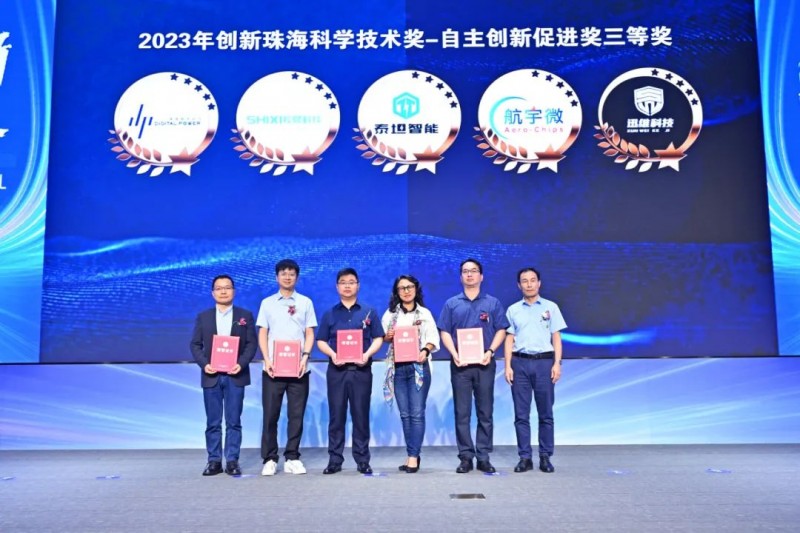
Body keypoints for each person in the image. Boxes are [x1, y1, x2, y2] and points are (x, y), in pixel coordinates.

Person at [437, 259, 509, 474]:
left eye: (474, 271)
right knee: (462, 412)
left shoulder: (492, 303)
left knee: (485, 412)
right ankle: (466, 457)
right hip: (460, 365)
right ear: (461, 277)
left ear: (481, 276)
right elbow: (444, 331)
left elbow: (501, 329)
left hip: (485, 364)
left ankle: (483, 456)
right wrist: (455, 354)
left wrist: (490, 351)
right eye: (465, 271)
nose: (469, 274)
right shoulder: (452, 304)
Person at [316, 267, 384, 474]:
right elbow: (321, 340)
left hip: (361, 370)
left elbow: (378, 338)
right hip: (336, 371)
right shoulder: (329, 313)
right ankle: (334, 460)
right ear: (337, 287)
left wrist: (367, 354)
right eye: (343, 282)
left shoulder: (369, 311)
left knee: (360, 415)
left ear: (358, 286)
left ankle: (362, 459)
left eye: (351, 282)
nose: (347, 286)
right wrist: (333, 354)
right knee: (336, 415)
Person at [190, 274, 257, 476]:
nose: (223, 291)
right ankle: (214, 461)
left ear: (233, 291)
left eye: (227, 287)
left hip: (236, 375)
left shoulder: (245, 315)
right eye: (219, 288)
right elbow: (195, 345)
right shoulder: (204, 317)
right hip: (212, 376)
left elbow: (251, 344)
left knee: (233, 421)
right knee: (213, 422)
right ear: (213, 293)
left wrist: (240, 364)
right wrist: (205, 364)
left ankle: (232, 460)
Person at [256, 259, 317, 476]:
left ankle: (292, 457)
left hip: (299, 369)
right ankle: (270, 458)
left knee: (296, 415)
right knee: (270, 415)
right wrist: (267, 359)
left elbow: (309, 332)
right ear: (277, 277)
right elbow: (263, 332)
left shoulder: (306, 302)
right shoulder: (267, 303)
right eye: (283, 273)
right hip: (273, 369)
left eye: (291, 274)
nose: (287, 277)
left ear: (297, 278)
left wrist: (305, 357)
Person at [504, 267, 567, 474]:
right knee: (521, 414)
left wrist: (557, 363)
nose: (529, 284)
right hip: (520, 363)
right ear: (519, 285)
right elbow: (509, 339)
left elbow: (556, 337)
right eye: (525, 281)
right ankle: (525, 457)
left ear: (539, 283)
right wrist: (507, 366)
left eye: (533, 280)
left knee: (545, 413)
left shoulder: (551, 307)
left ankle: (545, 456)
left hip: (544, 363)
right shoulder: (513, 309)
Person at [381, 275, 440, 473]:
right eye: (402, 288)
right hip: (398, 368)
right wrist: (387, 336)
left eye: (410, 287)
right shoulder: (390, 315)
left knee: (416, 413)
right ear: (396, 292)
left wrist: (425, 350)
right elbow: (383, 337)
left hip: (418, 368)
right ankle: (411, 454)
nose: (406, 291)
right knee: (405, 414)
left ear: (416, 289)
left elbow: (433, 339)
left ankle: (413, 456)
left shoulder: (425, 313)